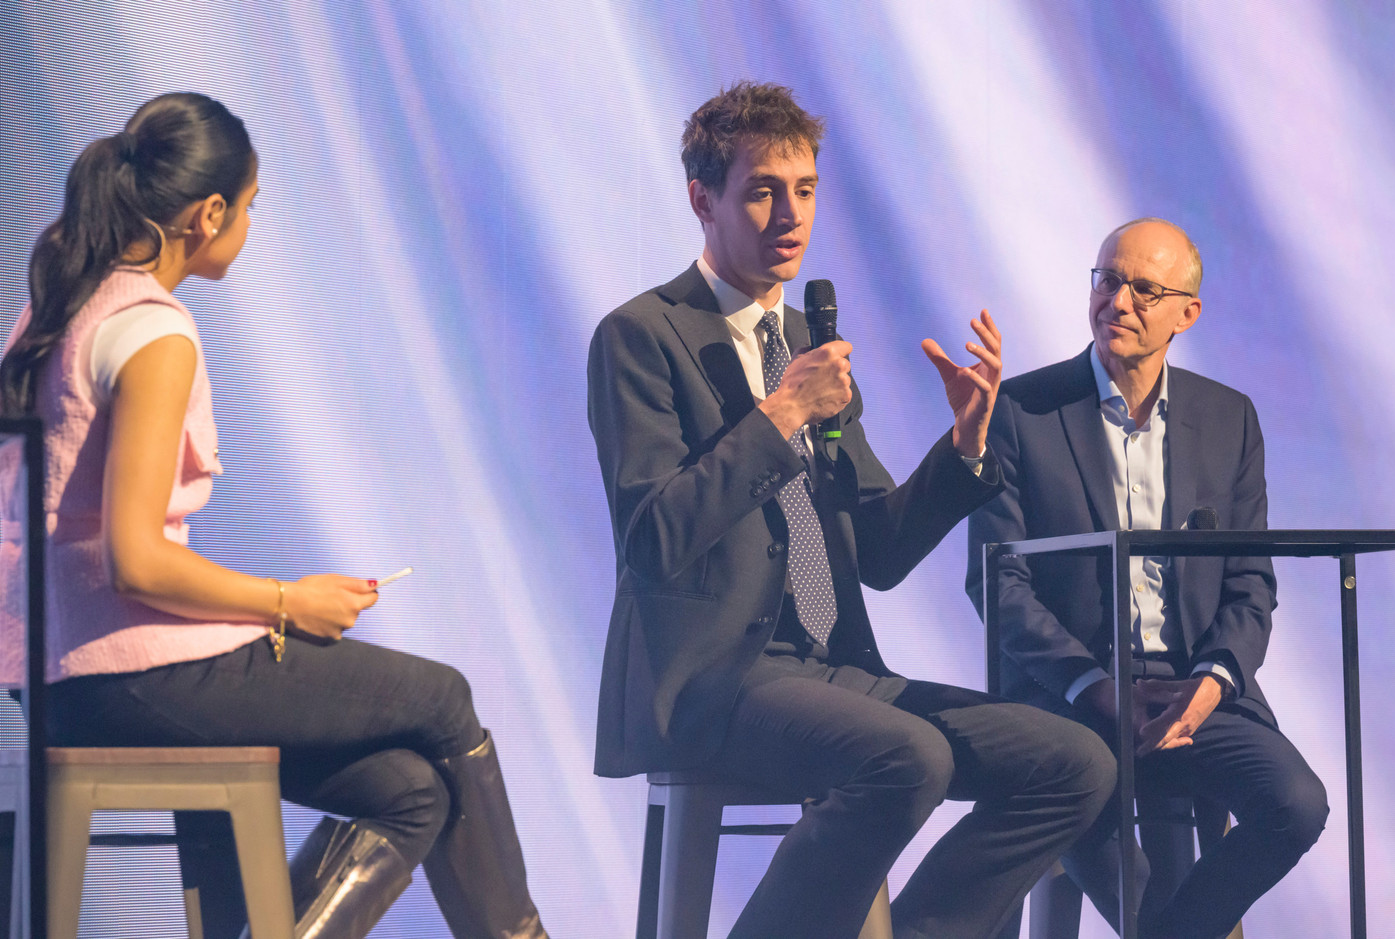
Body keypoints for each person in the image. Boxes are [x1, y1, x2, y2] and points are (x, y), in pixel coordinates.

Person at [0, 92, 548, 939]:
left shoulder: (60, 307)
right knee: (444, 697)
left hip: (54, 676)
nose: (251, 224)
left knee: (412, 789)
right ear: (209, 214)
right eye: (251, 206)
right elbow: (135, 561)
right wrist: (289, 601)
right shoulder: (152, 333)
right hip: (122, 675)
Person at [588, 80, 1115, 939]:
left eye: (804, 190)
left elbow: (880, 552)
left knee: (1076, 760)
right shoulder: (642, 334)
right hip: (710, 676)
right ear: (702, 200)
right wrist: (780, 415)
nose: (790, 215)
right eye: (762, 191)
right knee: (909, 755)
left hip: (835, 667)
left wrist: (964, 446)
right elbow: (653, 540)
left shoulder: (809, 342)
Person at [965, 218, 1328, 938]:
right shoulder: (1020, 411)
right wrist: (1095, 686)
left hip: (1193, 691)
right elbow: (997, 584)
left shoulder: (1229, 418)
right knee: (1098, 831)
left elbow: (1251, 583)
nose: (1119, 301)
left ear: (1186, 313)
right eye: (1107, 280)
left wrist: (1210, 685)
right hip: (1071, 698)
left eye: (1144, 289)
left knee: (1297, 804)